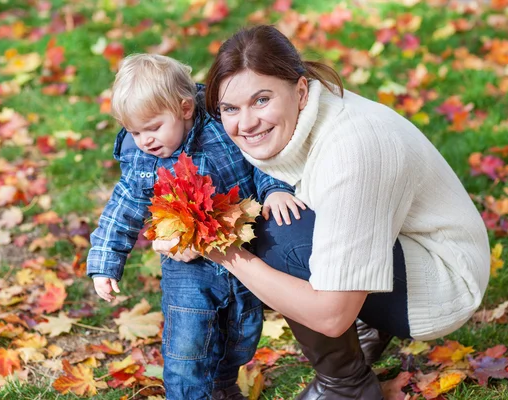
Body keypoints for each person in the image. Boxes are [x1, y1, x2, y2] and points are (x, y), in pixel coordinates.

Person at [154, 26, 490, 399]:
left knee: (274, 235)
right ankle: (364, 331)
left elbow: (331, 316)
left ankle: (347, 388)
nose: (245, 123)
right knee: (269, 222)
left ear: (300, 90)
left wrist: (219, 246)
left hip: (443, 283)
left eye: (262, 100)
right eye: (230, 108)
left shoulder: (353, 149)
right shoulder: (300, 115)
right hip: (400, 243)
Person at [86, 53, 305, 400]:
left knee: (242, 333)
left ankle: (222, 383)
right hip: (187, 265)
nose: (145, 140)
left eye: (153, 127)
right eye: (134, 131)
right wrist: (105, 262)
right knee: (187, 348)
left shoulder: (222, 130)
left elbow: (259, 158)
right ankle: (189, 393)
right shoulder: (143, 159)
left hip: (241, 255)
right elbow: (122, 209)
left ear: (186, 109)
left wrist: (275, 189)